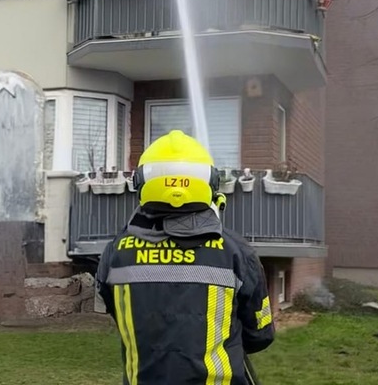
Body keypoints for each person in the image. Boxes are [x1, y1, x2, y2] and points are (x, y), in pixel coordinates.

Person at [95, 130, 275, 385]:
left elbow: (118, 315)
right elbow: (260, 335)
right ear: (210, 184)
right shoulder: (236, 251)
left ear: (142, 182)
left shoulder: (116, 252)